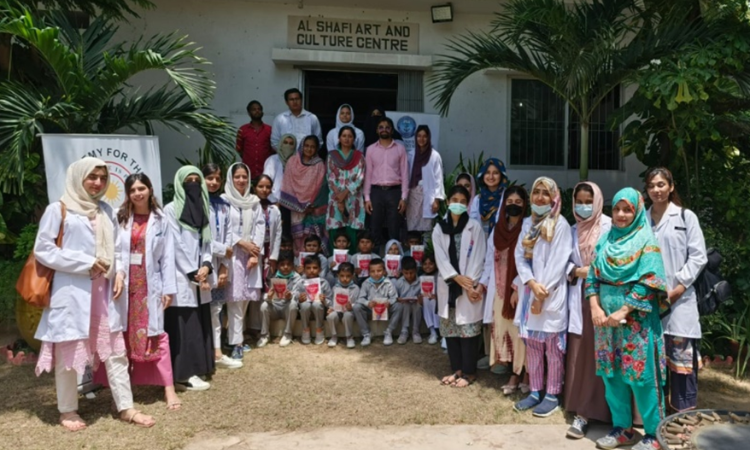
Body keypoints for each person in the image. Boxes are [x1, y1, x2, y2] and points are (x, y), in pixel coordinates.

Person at [33, 157, 155, 430]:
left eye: (102, 177)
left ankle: (126, 407)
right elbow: (43, 249)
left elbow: (117, 250)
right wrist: (84, 263)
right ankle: (67, 411)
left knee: (115, 352)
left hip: (103, 293)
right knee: (68, 353)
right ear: (78, 177)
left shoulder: (106, 211)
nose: (98, 182)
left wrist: (120, 272)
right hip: (72, 292)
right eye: (92, 177)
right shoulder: (59, 209)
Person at [587, 187, 669, 450]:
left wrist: (623, 311)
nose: (621, 215)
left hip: (637, 323)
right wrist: (595, 308)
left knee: (641, 378)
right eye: (617, 209)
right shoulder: (605, 240)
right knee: (612, 376)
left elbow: (650, 281)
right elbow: (592, 276)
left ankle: (655, 434)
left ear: (636, 211)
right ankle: (622, 429)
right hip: (605, 323)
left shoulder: (647, 240)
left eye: (627, 209)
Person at [94, 173, 180, 410]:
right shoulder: (120, 217)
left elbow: (167, 257)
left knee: (157, 336)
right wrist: (119, 273)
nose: (138, 193)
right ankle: (123, 388)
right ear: (128, 194)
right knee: (123, 336)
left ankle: (168, 388)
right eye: (132, 190)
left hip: (150, 286)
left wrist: (169, 289)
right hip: (124, 287)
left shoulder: (161, 220)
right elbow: (115, 252)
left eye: (142, 188)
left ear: (150, 190)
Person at [645, 167, 707, 413]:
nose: (656, 190)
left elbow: (698, 257)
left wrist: (678, 288)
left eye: (661, 185)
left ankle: (682, 419)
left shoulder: (685, 217)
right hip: (649, 301)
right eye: (652, 186)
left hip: (680, 302)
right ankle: (656, 418)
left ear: (670, 187)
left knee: (681, 365)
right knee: (652, 362)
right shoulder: (643, 219)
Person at [512, 177, 572, 417]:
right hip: (531, 291)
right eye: (536, 192)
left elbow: (559, 263)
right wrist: (530, 283)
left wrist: (540, 291)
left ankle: (552, 394)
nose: (539, 198)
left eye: (545, 193)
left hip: (550, 293)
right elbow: (520, 256)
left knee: (553, 349)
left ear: (554, 198)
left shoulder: (561, 225)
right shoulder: (528, 224)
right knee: (533, 347)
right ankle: (535, 391)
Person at [563, 182, 613, 438]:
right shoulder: (571, 230)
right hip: (578, 297)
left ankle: (613, 414)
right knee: (582, 354)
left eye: (588, 201)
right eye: (579, 201)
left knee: (604, 353)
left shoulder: (610, 226)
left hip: (605, 299)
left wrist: (592, 272)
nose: (583, 206)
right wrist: (575, 270)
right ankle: (581, 411)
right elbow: (562, 262)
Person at [164, 166, 215, 392]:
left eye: (197, 180)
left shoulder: (206, 209)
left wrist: (206, 265)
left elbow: (208, 242)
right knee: (185, 325)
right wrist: (192, 271)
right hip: (181, 276)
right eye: (188, 180)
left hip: (199, 276)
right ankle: (184, 375)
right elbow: (174, 244)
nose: (193, 184)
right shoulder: (170, 210)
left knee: (200, 322)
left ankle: (201, 366)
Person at [433, 185, 487, 388]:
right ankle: (456, 370)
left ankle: (469, 373)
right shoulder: (439, 228)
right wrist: (456, 278)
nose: (457, 204)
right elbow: (440, 257)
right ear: (447, 202)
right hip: (449, 284)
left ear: (468, 204)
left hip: (468, 287)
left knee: (468, 332)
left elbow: (479, 257)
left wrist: (469, 283)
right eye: (454, 200)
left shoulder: (475, 227)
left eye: (462, 201)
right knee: (451, 331)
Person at [478, 186, 530, 394]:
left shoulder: (528, 227)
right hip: (499, 292)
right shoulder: (497, 230)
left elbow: (530, 262)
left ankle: (523, 373)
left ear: (525, 205)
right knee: (505, 332)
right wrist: (482, 283)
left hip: (520, 290)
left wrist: (517, 286)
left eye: (518, 203)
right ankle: (512, 370)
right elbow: (489, 262)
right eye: (510, 202)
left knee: (521, 334)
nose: (513, 206)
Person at [222, 163, 265, 359]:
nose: (241, 180)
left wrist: (255, 252)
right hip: (232, 254)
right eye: (237, 177)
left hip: (251, 256)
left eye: (244, 177)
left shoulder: (254, 201)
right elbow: (223, 228)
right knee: (234, 299)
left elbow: (260, 226)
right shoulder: (223, 201)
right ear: (230, 179)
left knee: (246, 297)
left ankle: (234, 336)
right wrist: (242, 243)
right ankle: (236, 342)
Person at [203, 164, 243, 370]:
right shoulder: (197, 203)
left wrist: (225, 267)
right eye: (209, 178)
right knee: (202, 311)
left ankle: (217, 352)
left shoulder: (223, 204)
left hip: (219, 265)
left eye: (217, 179)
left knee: (216, 309)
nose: (213, 182)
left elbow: (228, 236)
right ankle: (204, 352)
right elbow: (200, 238)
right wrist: (222, 250)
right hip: (201, 265)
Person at [364, 117, 409, 250]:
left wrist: (404, 198)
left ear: (392, 130)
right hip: (376, 192)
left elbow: (405, 174)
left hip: (395, 192)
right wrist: (367, 198)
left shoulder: (400, 149)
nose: (384, 129)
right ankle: (375, 260)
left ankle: (394, 261)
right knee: (375, 226)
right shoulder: (371, 149)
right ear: (377, 131)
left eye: (387, 127)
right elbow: (368, 175)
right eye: (381, 127)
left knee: (394, 227)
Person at [280, 135, 329, 253]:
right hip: (295, 207)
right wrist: (299, 206)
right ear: (302, 146)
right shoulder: (292, 161)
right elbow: (288, 183)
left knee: (311, 238)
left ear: (317, 149)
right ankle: (298, 262)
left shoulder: (319, 164)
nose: (309, 149)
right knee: (297, 238)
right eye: (306, 146)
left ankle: (312, 264)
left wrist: (311, 206)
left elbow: (322, 186)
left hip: (312, 208)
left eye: (312, 147)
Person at [327, 126, 366, 247]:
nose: (347, 139)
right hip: (336, 198)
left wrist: (345, 194)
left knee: (352, 232)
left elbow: (360, 178)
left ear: (354, 139)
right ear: (339, 138)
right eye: (344, 136)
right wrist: (340, 198)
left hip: (354, 198)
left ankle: (352, 261)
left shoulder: (359, 156)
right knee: (336, 230)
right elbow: (330, 178)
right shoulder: (332, 156)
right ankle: (335, 263)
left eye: (350, 136)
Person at [406, 125, 445, 232]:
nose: (421, 139)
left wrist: (436, 199)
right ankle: (412, 248)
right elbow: (406, 176)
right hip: (413, 194)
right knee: (412, 224)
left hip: (428, 195)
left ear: (428, 138)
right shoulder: (411, 154)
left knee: (426, 227)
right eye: (419, 136)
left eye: (424, 136)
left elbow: (439, 179)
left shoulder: (435, 156)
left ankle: (425, 249)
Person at [353, 258, 399, 347]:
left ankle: (389, 332)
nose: (376, 273)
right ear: (369, 272)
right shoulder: (366, 283)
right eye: (373, 271)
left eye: (379, 270)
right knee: (356, 307)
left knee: (399, 306)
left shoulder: (388, 283)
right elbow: (360, 298)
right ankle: (366, 334)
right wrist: (368, 303)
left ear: (384, 271)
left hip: (385, 309)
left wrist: (389, 302)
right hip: (371, 309)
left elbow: (394, 297)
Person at [259, 251, 301, 348]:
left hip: (287, 307)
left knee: (293, 305)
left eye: (288, 264)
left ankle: (287, 334)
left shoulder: (297, 278)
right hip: (275, 307)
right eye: (282, 264)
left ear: (293, 266)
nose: (285, 267)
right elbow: (267, 295)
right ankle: (264, 335)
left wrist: (290, 296)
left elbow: (297, 295)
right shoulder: (272, 277)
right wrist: (269, 297)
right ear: (277, 266)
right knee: (264, 305)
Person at [295, 255, 332, 345]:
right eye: (308, 268)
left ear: (320, 270)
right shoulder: (300, 282)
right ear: (304, 269)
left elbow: (331, 301)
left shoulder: (324, 283)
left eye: (315, 268)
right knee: (305, 304)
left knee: (317, 303)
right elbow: (295, 298)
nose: (312, 270)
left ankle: (319, 329)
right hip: (305, 311)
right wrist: (299, 299)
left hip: (319, 311)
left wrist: (324, 301)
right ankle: (305, 329)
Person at [470, 158, 509, 237]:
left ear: (501, 175)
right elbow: (472, 223)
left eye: (495, 173)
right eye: (487, 172)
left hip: (501, 242)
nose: (491, 177)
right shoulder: (477, 199)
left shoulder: (507, 197)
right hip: (479, 243)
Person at [236, 100, 273, 184]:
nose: (257, 111)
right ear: (249, 113)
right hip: (248, 172)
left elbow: (273, 150)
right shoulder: (242, 130)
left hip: (265, 171)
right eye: (254, 109)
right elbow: (239, 149)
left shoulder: (269, 130)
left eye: (259, 109)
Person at [326, 262, 359, 349]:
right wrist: (331, 308)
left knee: (347, 315)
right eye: (342, 276)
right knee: (330, 316)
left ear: (352, 276)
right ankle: (334, 336)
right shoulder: (335, 288)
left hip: (349, 312)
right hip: (337, 311)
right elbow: (332, 302)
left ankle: (349, 337)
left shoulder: (355, 288)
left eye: (348, 276)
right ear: (338, 276)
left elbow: (358, 302)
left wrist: (352, 306)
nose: (345, 279)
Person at [255, 175, 283, 279]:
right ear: (254, 188)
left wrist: (274, 256)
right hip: (255, 249)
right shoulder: (250, 207)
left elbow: (277, 234)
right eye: (260, 186)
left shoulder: (274, 209)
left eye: (268, 187)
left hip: (269, 250)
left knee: (267, 278)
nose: (264, 190)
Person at [394, 256, 423, 344]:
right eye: (406, 273)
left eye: (411, 273)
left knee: (417, 305)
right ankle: (404, 331)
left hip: (417, 305)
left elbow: (424, 296)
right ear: (402, 271)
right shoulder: (399, 282)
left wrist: (420, 299)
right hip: (404, 306)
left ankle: (416, 332)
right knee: (406, 305)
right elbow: (395, 297)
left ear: (416, 270)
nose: (409, 275)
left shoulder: (421, 281)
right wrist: (399, 299)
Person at [263, 133, 296, 204]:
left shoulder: (296, 161)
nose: (288, 146)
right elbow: (266, 180)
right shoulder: (272, 160)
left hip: (291, 202)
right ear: (281, 144)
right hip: (273, 200)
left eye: (291, 143)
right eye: (285, 142)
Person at [420, 253, 441, 345]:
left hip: (439, 302)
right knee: (425, 299)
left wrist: (437, 297)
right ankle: (432, 331)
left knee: (433, 301)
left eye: (430, 264)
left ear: (435, 264)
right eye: (425, 264)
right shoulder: (421, 277)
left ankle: (439, 331)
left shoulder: (440, 276)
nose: (428, 266)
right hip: (427, 302)